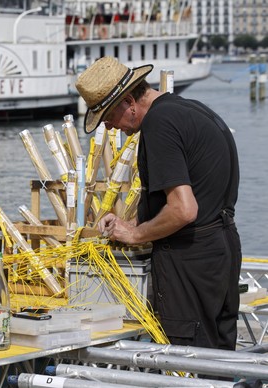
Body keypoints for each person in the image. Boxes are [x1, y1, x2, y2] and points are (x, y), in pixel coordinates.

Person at [75, 56, 241, 350]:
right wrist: (131, 223)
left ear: (129, 102)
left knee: (189, 362)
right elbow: (200, 193)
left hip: (191, 261)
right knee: (220, 355)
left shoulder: (159, 125)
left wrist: (135, 235)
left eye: (109, 117)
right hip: (221, 250)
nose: (111, 128)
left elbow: (184, 209)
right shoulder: (189, 109)